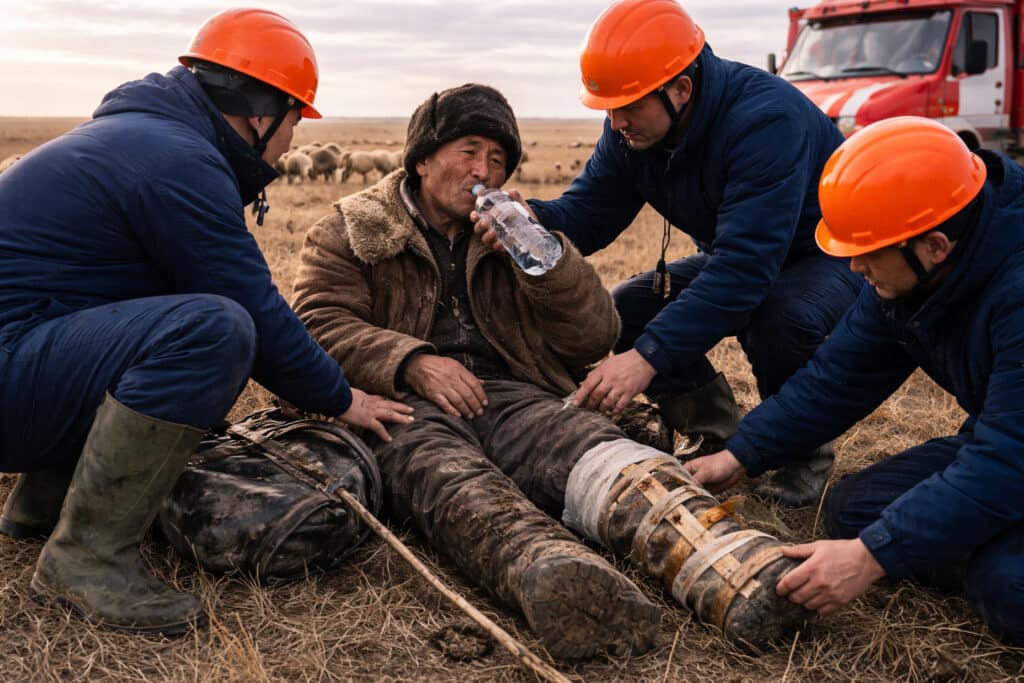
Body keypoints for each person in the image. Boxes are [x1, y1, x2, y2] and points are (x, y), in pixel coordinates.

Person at [293, 82, 812, 658]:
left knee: (607, 455)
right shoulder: (353, 227)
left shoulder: (516, 230)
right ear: (422, 158)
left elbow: (596, 335)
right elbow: (318, 322)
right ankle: (559, 578)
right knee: (449, 480)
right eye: (468, 151)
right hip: (400, 405)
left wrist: (548, 264)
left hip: (516, 395)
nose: (482, 170)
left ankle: (740, 569)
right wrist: (411, 361)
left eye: (497, 159)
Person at [0, 8, 411, 635]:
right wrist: (340, 397)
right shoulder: (177, 160)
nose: (295, 139)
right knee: (213, 329)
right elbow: (252, 306)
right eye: (296, 116)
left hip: (18, 356)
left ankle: (43, 501)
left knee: (139, 308)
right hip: (9, 371)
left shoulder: (141, 136)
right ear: (259, 110)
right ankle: (86, 558)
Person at [493, 0, 865, 507]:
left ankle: (803, 451)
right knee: (629, 307)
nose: (617, 121)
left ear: (680, 89)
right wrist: (532, 217)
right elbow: (591, 211)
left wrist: (644, 360)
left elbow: (743, 273)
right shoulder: (631, 130)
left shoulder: (765, 121)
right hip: (741, 255)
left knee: (777, 314)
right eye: (609, 108)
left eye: (628, 106)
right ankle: (714, 428)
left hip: (825, 254)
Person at [686, 117, 1024, 645]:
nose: (854, 268)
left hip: (1011, 451)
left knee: (1005, 587)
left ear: (934, 246)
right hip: (1006, 439)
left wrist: (872, 558)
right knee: (855, 511)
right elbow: (837, 376)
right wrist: (740, 453)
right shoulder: (913, 268)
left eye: (866, 253)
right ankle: (981, 526)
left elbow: (1009, 459)